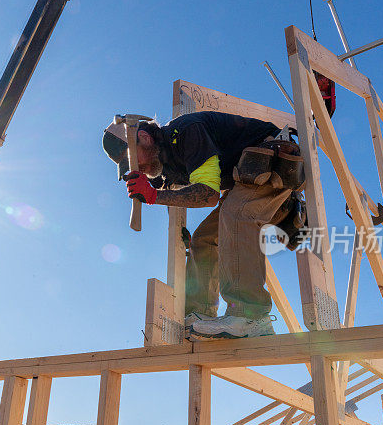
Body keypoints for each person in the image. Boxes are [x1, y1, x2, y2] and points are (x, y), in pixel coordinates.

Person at [102, 111, 296, 339]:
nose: (138, 168)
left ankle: (252, 316)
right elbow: (167, 189)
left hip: (271, 161)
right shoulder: (164, 160)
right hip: (246, 178)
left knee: (236, 214)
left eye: (134, 159)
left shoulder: (186, 133)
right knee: (203, 239)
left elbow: (209, 195)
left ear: (145, 138)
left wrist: (153, 196)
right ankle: (200, 316)